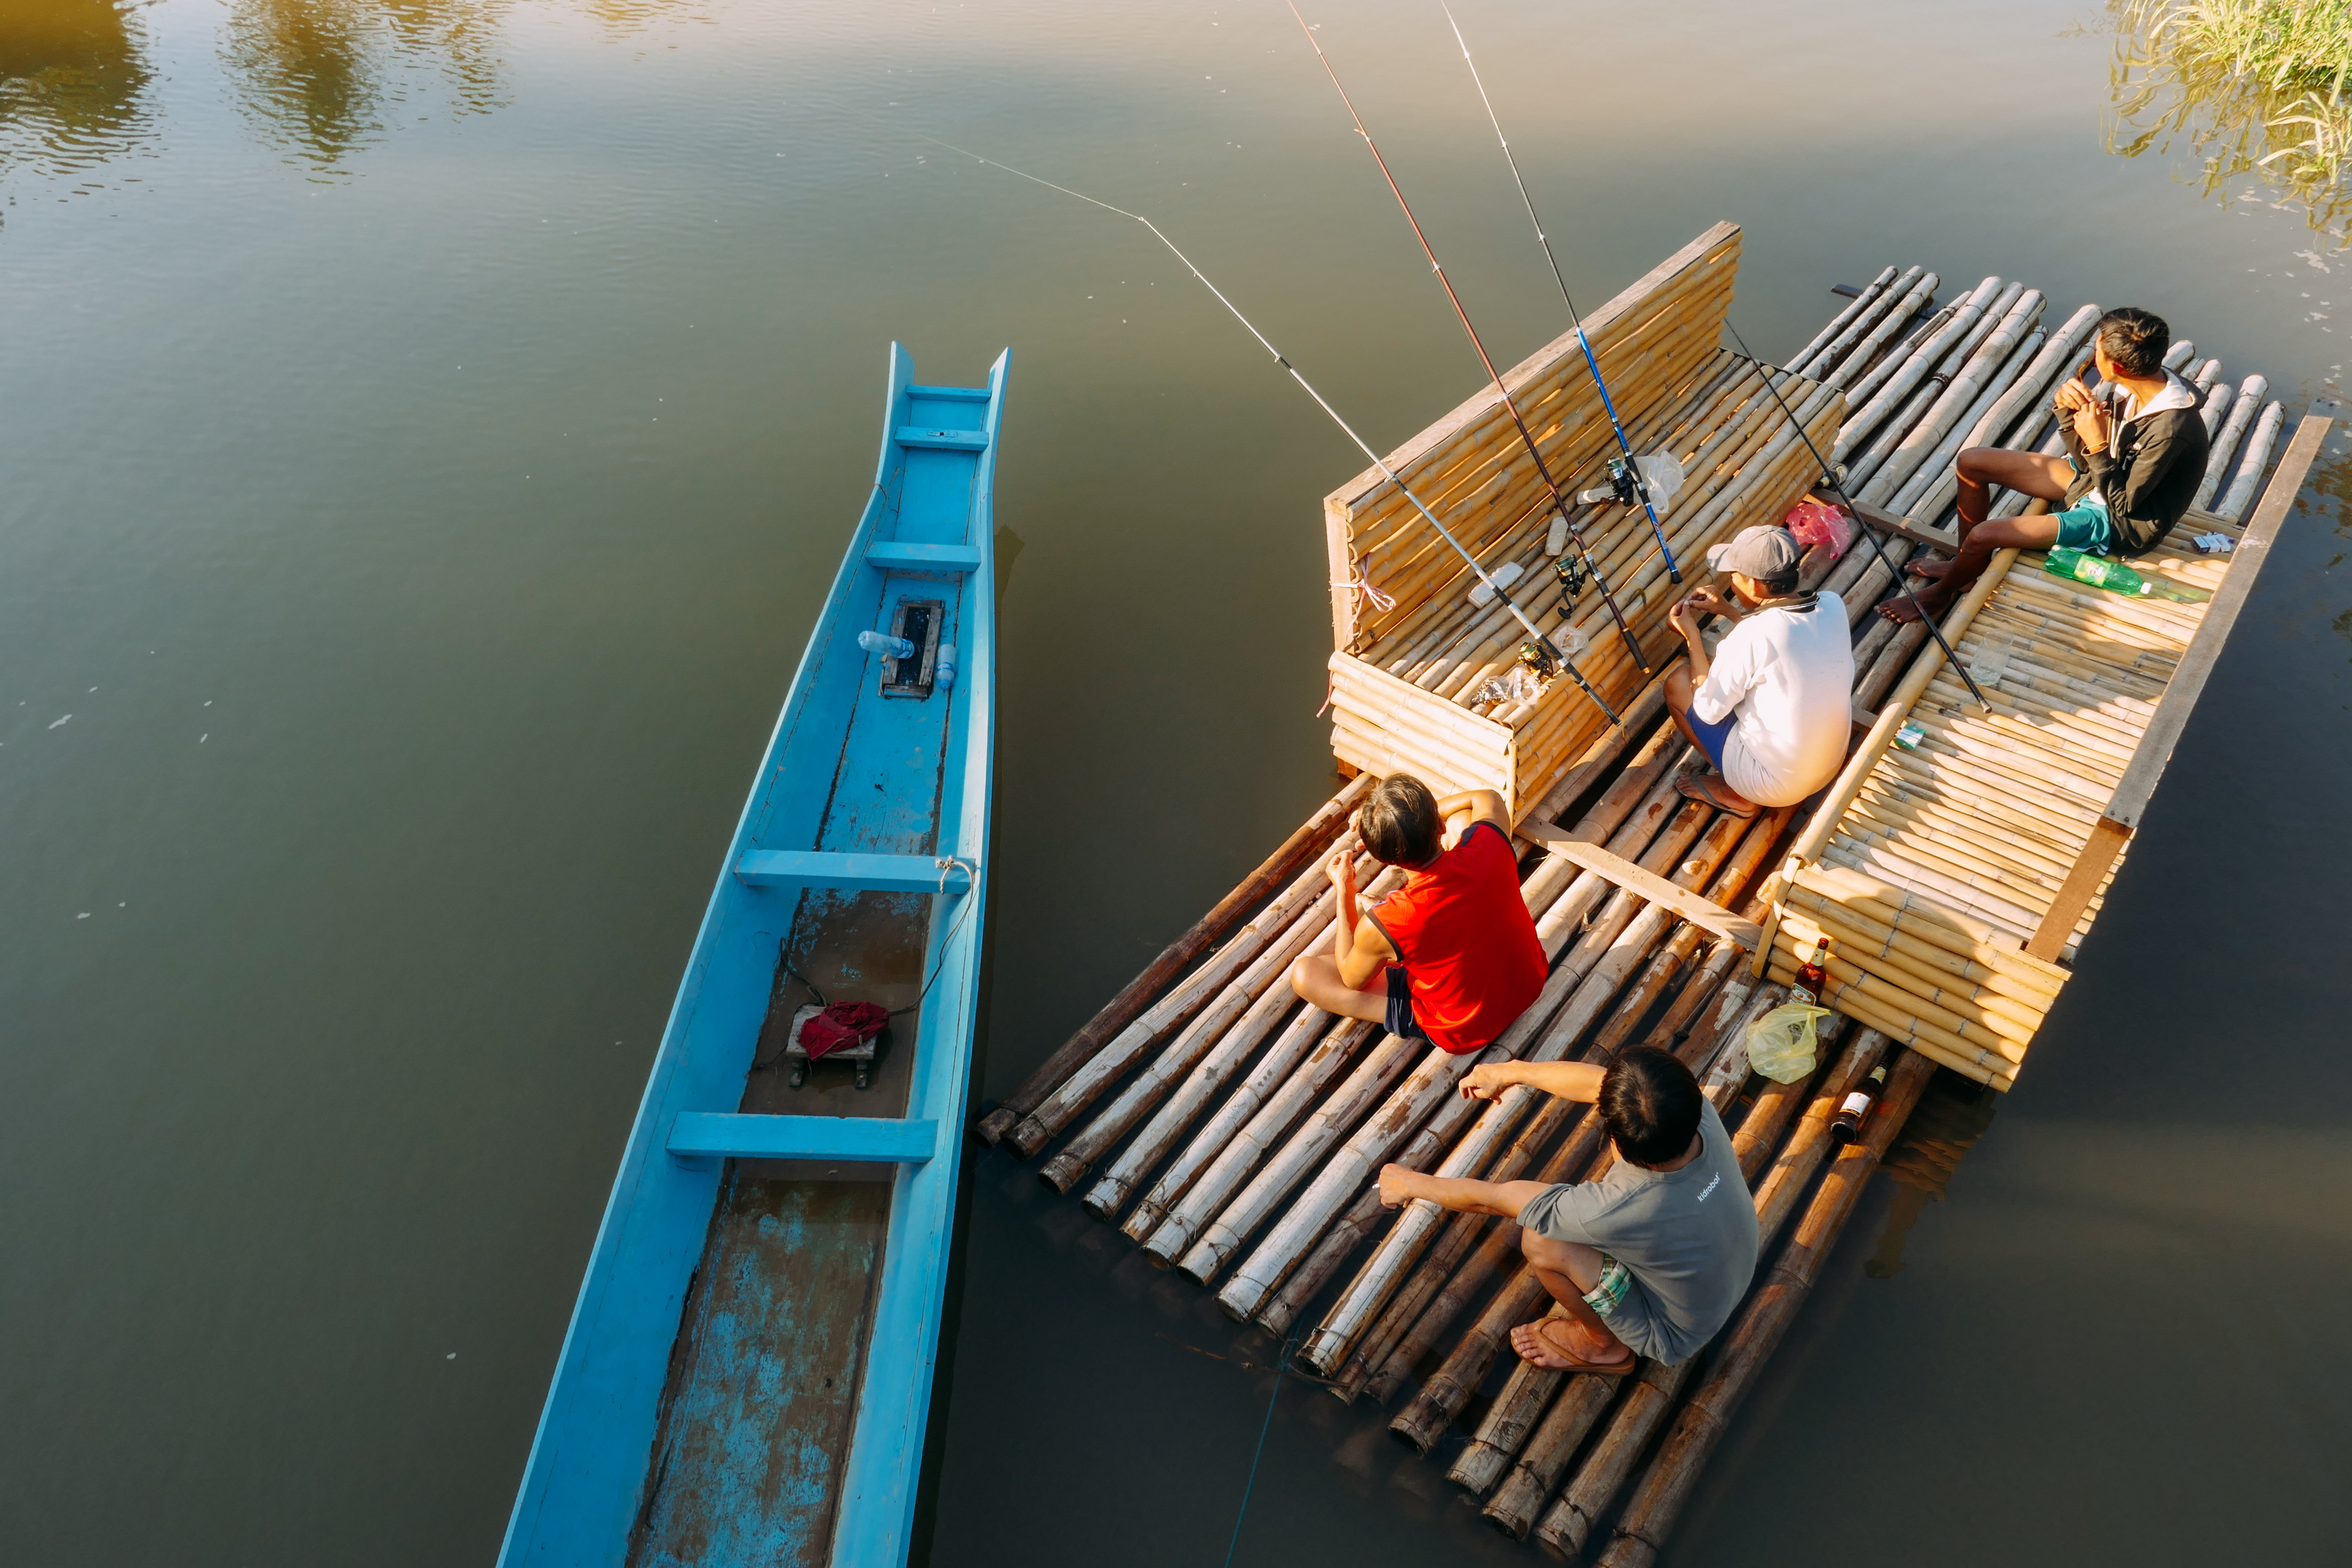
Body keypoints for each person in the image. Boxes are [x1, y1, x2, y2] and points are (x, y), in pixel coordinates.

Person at [1376, 1047, 1755, 1372]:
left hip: (1673, 1332)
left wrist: (1408, 1182)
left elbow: (1493, 1198)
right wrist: (1511, 1072)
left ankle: (1604, 1347)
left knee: (1543, 1242)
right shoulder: (1690, 1110)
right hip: (1733, 1266)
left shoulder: (1613, 1209)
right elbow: (1602, 1087)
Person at [1882, 306, 2209, 624]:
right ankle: (1967, 567)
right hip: (2098, 481)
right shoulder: (2141, 386)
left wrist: (2096, 444)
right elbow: (2085, 463)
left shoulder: (2170, 430)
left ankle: (1943, 592)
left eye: (2097, 349)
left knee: (1984, 535)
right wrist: (2069, 416)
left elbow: (2122, 505)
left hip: (2121, 523)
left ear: (2116, 367)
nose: (2094, 353)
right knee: (1972, 462)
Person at [1287, 774, 1545, 1056]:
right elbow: (1487, 798)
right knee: (1465, 817)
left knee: (1306, 973)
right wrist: (1407, 819)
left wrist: (1344, 890)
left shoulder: (1389, 921)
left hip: (1466, 1028)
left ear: (1385, 859)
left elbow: (1352, 978)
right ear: (1440, 826)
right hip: (1529, 984)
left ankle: (1416, 1002)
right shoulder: (1490, 845)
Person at [1660, 524, 1855, 819]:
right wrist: (1729, 611)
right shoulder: (1832, 603)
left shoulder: (1752, 634)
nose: (1732, 583)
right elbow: (1778, 637)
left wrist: (1692, 638)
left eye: (1734, 576)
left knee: (1678, 683)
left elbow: (1706, 711)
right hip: (1828, 767)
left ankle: (1737, 793)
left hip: (1776, 787)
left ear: (1754, 585)